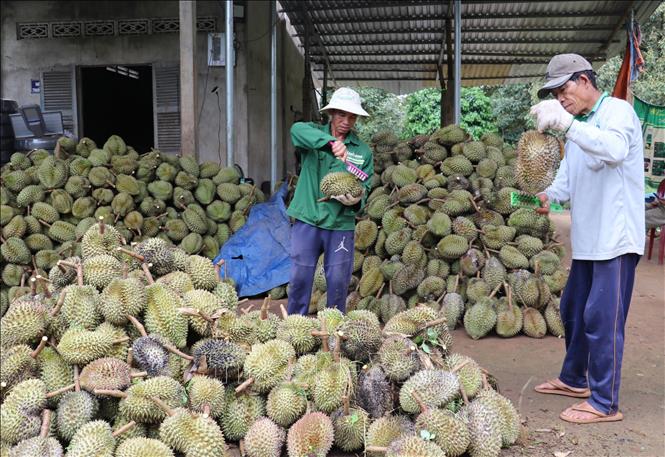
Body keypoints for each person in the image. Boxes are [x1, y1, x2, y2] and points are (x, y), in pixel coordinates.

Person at [529, 54, 645, 424]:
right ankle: (574, 379)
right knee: (573, 312)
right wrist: (548, 195)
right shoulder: (577, 128)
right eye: (556, 94)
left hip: (615, 240)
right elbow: (566, 180)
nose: (561, 99)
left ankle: (605, 401)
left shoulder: (617, 113)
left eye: (564, 90)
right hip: (588, 241)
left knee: (602, 318)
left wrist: (566, 124)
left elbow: (613, 150)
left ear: (583, 81)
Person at [286, 87, 373, 316]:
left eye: (352, 117)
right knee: (300, 277)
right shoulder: (312, 135)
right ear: (331, 113)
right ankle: (295, 327)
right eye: (342, 115)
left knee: (337, 281)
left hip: (339, 224)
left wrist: (355, 199)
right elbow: (296, 130)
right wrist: (330, 143)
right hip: (308, 218)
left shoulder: (362, 151)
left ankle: (334, 331)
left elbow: (366, 184)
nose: (346, 121)